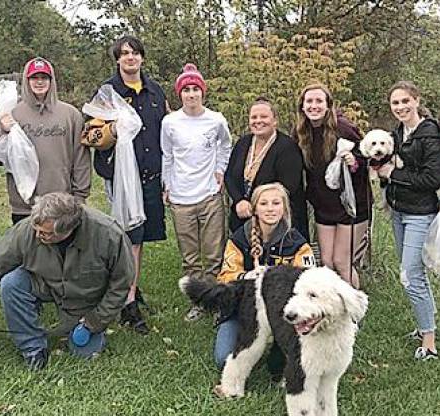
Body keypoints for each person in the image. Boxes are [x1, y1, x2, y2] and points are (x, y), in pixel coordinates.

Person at [0, 192, 135, 370]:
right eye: (37, 230)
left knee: (83, 353)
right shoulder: (30, 228)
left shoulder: (108, 234)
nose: (37, 236)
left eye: (45, 234)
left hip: (86, 299)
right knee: (12, 283)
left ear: (68, 229)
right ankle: (32, 347)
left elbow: (121, 285)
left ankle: (80, 327)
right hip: (46, 284)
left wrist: (95, 321)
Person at [82, 35, 168, 335]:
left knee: (139, 236)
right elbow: (90, 132)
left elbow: (163, 132)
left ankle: (130, 287)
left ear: (142, 58)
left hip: (149, 174)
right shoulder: (106, 93)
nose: (130, 58)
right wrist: (112, 131)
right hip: (119, 176)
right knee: (125, 236)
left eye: (135, 53)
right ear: (117, 59)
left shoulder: (155, 91)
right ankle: (125, 301)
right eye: (124, 54)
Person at [378, 80, 440, 361]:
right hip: (399, 211)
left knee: (410, 276)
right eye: (395, 103)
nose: (401, 107)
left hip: (420, 213)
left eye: (406, 101)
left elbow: (432, 179)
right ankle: (423, 326)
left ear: (417, 100)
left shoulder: (429, 134)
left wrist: (392, 175)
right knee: (413, 273)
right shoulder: (398, 133)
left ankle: (429, 344)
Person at [214, 183, 315, 371]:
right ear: (254, 209)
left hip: (283, 314)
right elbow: (224, 278)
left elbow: (309, 283)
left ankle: (276, 349)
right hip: (242, 309)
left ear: (284, 208)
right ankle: (251, 345)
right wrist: (247, 276)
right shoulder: (239, 239)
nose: (270, 209)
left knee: (284, 366)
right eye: (264, 203)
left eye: (276, 203)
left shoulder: (298, 243)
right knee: (224, 360)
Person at [161, 63, 232, 321]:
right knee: (190, 257)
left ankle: (216, 301)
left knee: (214, 254)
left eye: (195, 89)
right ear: (180, 94)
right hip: (181, 198)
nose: (191, 94)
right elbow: (167, 155)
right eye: (186, 90)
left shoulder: (216, 120)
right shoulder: (170, 123)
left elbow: (225, 146)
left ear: (203, 92)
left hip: (209, 195)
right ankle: (197, 301)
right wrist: (166, 184)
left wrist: (220, 170)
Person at [293, 83, 370, 288]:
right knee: (326, 262)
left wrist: (354, 162)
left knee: (342, 262)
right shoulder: (301, 132)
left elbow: (367, 154)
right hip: (323, 205)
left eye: (319, 101)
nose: (314, 106)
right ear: (302, 106)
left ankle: (354, 312)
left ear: (328, 105)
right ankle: (334, 308)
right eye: (309, 101)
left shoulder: (343, 128)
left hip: (350, 206)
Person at [0, 57, 90, 225]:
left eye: (44, 77)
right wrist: (3, 132)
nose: (39, 82)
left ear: (51, 80)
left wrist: (80, 195)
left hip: (62, 202)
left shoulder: (70, 115)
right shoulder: (13, 114)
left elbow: (81, 157)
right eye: (34, 77)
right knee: (28, 251)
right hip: (25, 205)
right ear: (27, 81)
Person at [225, 97, 308, 240]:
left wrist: (257, 206)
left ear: (275, 120)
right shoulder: (243, 143)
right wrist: (239, 200)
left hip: (279, 224)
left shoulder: (287, 148)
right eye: (254, 117)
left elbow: (288, 187)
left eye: (264, 117)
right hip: (243, 220)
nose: (258, 121)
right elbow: (230, 176)